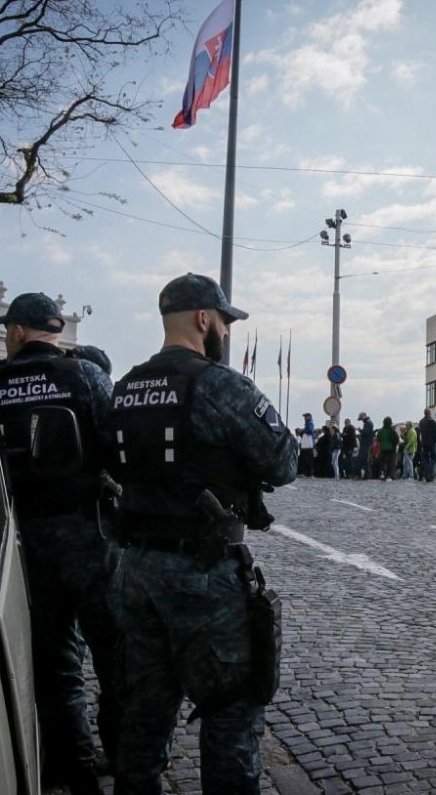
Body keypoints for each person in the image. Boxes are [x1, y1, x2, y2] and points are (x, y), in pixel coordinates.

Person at [106, 273, 297, 795]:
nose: (226, 333)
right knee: (231, 707)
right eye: (224, 323)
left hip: (135, 570)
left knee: (143, 709)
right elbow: (283, 461)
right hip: (203, 572)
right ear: (203, 318)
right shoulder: (217, 384)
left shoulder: (125, 388)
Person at [0, 292, 119, 795]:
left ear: (18, 331)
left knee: (56, 662)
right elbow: (118, 443)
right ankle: (125, 757)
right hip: (92, 534)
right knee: (115, 653)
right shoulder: (85, 376)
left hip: (25, 542)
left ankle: (74, 768)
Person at [418, 409, 436, 481]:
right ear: (429, 413)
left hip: (424, 443)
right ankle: (428, 470)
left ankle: (424, 472)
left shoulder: (421, 421)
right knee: (434, 458)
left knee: (425, 458)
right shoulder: (431, 421)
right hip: (431, 442)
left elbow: (420, 431)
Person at [376, 416, 400, 481]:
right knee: (391, 463)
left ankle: (382, 474)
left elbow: (378, 440)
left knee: (383, 463)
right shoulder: (392, 431)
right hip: (391, 449)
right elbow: (397, 440)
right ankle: (390, 475)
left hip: (383, 449)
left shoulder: (380, 431)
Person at [358, 412, 375, 479]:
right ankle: (366, 474)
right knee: (364, 459)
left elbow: (366, 432)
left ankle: (367, 474)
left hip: (366, 443)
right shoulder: (368, 422)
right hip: (366, 443)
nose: (361, 420)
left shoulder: (368, 423)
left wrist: (360, 430)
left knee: (364, 459)